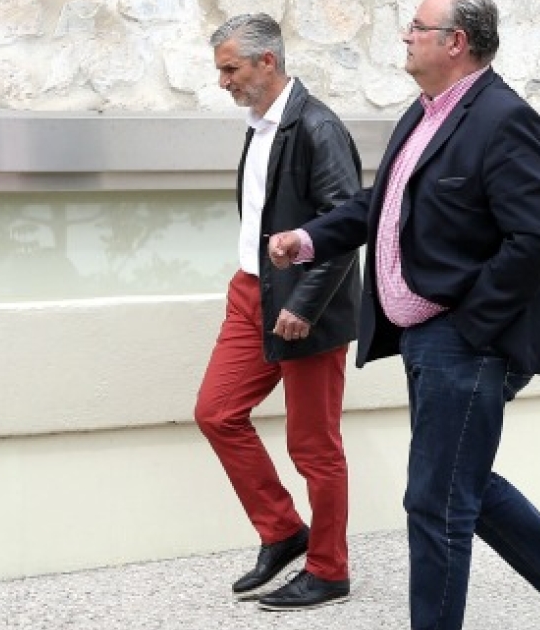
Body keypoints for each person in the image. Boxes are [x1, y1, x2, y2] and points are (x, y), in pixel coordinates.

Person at [267, 0, 540, 628]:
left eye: (418, 27)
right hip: (426, 337)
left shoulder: (505, 119)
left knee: (435, 503)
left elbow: (536, 239)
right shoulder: (425, 113)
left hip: (466, 338)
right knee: (459, 479)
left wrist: (469, 327)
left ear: (456, 41)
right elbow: (382, 203)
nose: (406, 36)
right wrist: (310, 238)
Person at [194, 13, 362, 612]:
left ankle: (329, 570)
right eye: (221, 70)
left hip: (304, 305)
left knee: (314, 446)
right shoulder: (260, 126)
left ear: (268, 61)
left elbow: (346, 224)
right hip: (250, 295)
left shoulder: (318, 127)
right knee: (216, 413)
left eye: (231, 69)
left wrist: (305, 302)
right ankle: (284, 531)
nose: (223, 82)